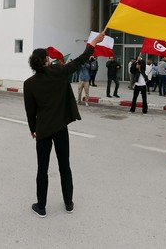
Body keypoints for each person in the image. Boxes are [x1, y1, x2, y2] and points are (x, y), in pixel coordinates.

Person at [23, 31, 105, 218]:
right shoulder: (59, 72)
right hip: (60, 128)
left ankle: (41, 206)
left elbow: (30, 111)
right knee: (64, 166)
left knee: (42, 169)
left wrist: (33, 129)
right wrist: (93, 42)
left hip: (43, 130)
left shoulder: (29, 83)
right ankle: (68, 203)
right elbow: (80, 60)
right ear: (45, 60)